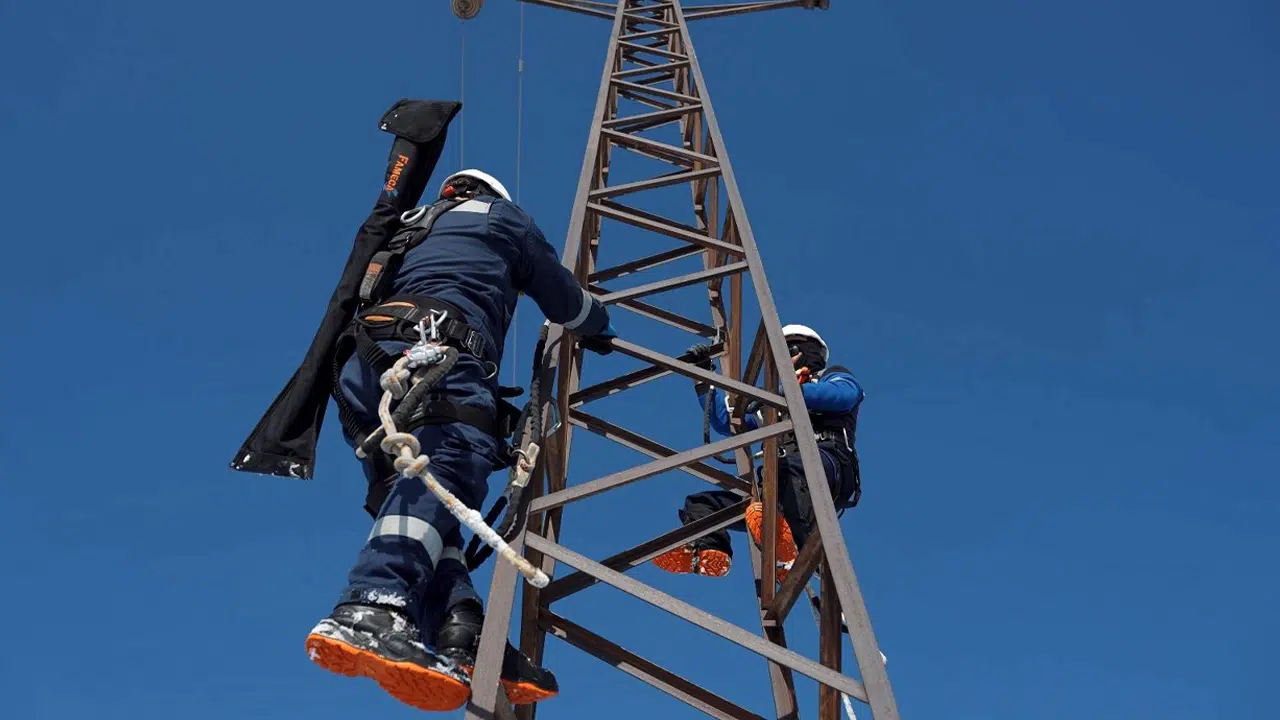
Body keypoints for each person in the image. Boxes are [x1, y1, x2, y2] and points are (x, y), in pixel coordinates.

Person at [303, 168, 617, 713]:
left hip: (362, 368)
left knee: (424, 504)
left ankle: (459, 629)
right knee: (451, 459)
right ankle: (372, 603)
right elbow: (563, 299)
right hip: (435, 346)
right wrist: (599, 323)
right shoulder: (502, 218)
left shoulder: (412, 227)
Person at [652, 325, 862, 580]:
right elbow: (726, 420)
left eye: (790, 349)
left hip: (830, 467)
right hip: (782, 484)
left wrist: (787, 390)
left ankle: (795, 550)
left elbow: (843, 396)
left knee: (788, 468)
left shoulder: (831, 377)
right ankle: (709, 549)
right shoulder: (773, 404)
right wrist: (702, 375)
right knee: (702, 504)